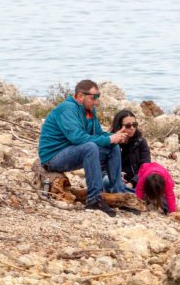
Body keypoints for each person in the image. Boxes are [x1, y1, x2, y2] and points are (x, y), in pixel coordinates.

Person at [38, 80, 129, 216]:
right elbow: (77, 138)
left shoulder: (90, 111)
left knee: (112, 146)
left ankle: (119, 194)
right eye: (93, 98)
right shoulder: (67, 109)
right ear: (80, 96)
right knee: (90, 147)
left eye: (98, 97)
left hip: (72, 151)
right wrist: (109, 139)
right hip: (52, 158)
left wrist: (114, 136)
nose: (96, 102)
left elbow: (98, 134)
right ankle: (94, 199)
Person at [110, 109, 150, 189]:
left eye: (134, 125)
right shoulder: (111, 141)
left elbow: (145, 167)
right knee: (106, 181)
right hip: (116, 179)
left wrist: (132, 183)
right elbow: (102, 167)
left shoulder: (141, 142)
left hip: (135, 181)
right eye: (128, 126)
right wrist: (115, 175)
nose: (132, 128)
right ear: (119, 126)